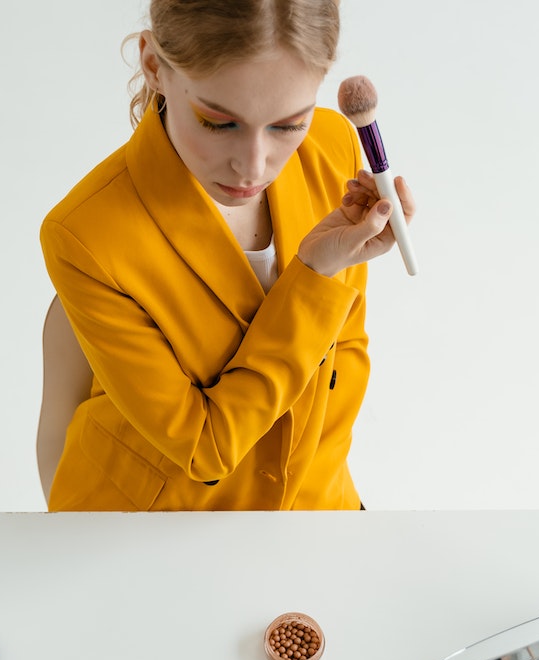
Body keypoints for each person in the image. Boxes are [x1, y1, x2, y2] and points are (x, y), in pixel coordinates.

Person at [39, 0, 415, 511]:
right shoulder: (86, 233)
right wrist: (312, 276)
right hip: (151, 530)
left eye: (287, 125)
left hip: (317, 515)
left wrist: (332, 531)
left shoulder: (334, 149)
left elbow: (338, 368)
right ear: (154, 66)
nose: (253, 167)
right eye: (219, 123)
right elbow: (204, 448)